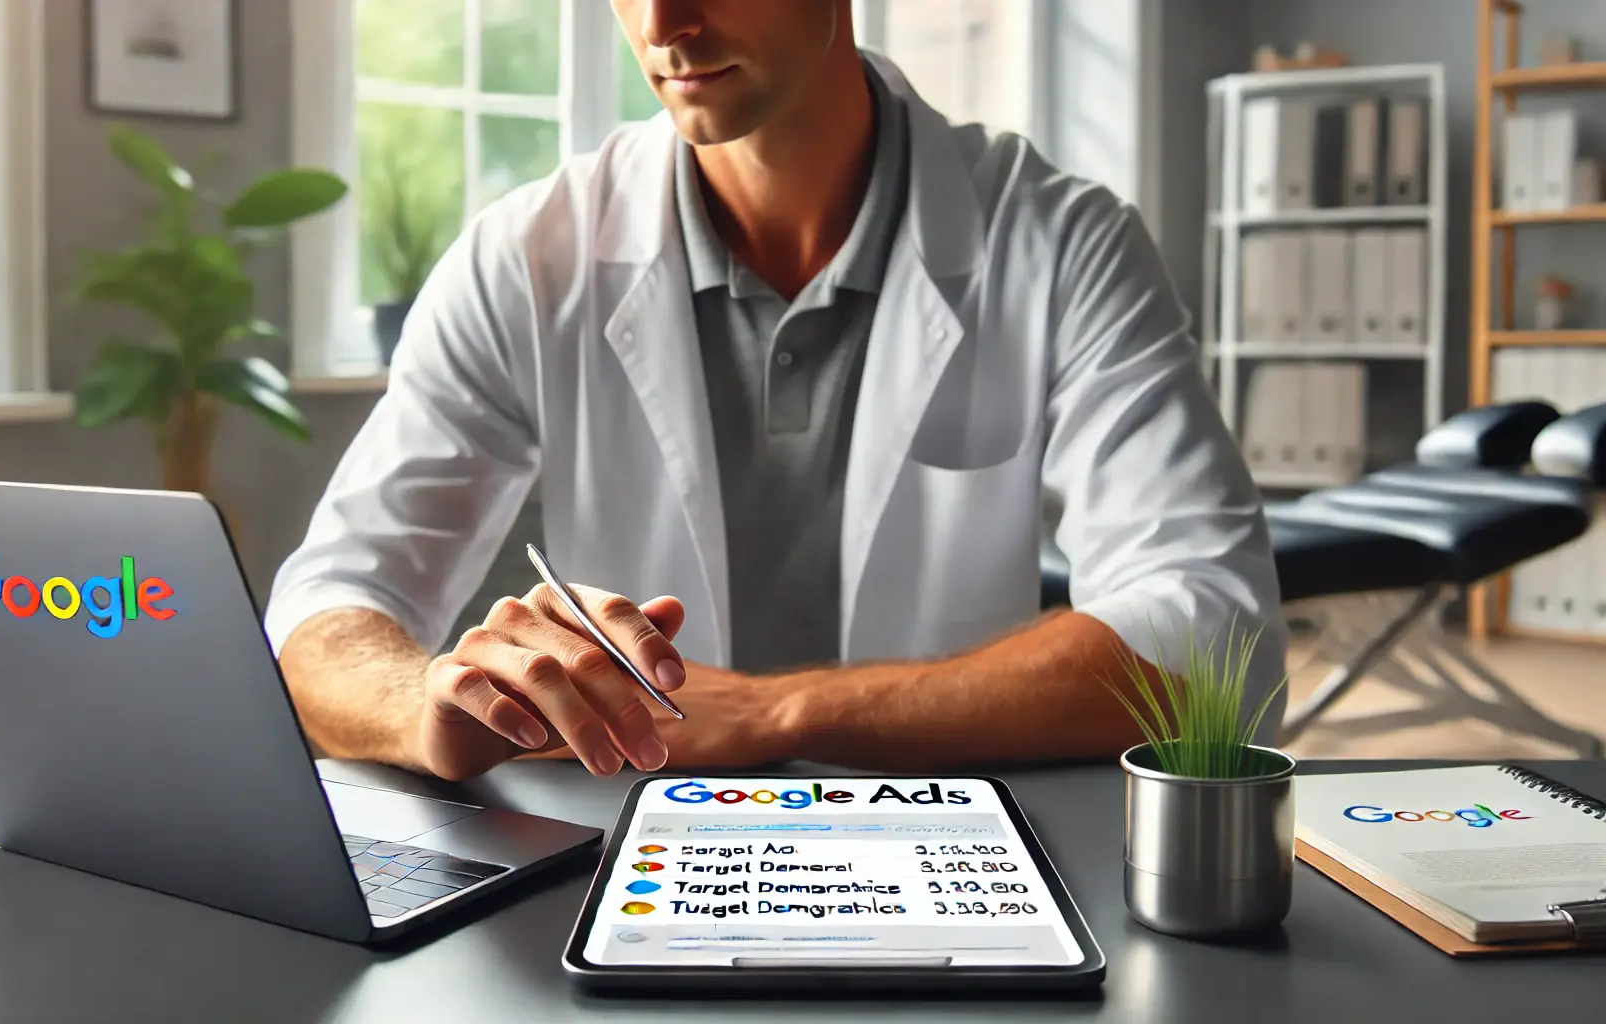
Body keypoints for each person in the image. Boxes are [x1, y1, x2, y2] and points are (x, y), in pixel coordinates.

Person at [265, 0, 1283, 782]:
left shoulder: (1059, 242)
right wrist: (420, 706)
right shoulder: (528, 257)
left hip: (950, 855)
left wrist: (775, 712)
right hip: (628, 859)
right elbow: (325, 607)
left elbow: (1214, 630)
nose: (662, 25)